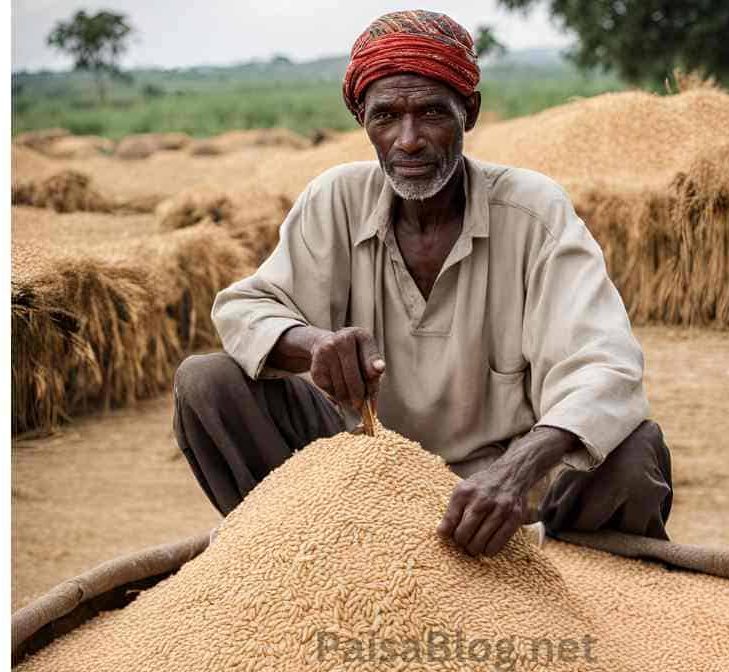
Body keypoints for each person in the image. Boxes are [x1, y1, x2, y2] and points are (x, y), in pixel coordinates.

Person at [173, 9, 673, 557]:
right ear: (363, 119)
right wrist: (313, 343)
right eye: (386, 116)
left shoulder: (533, 210)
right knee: (208, 383)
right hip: (362, 485)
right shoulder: (336, 199)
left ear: (470, 112)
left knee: (634, 449)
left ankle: (581, 593)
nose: (408, 141)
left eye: (432, 112)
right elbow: (245, 309)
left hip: (504, 500)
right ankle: (300, 556)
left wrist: (515, 470)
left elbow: (606, 366)